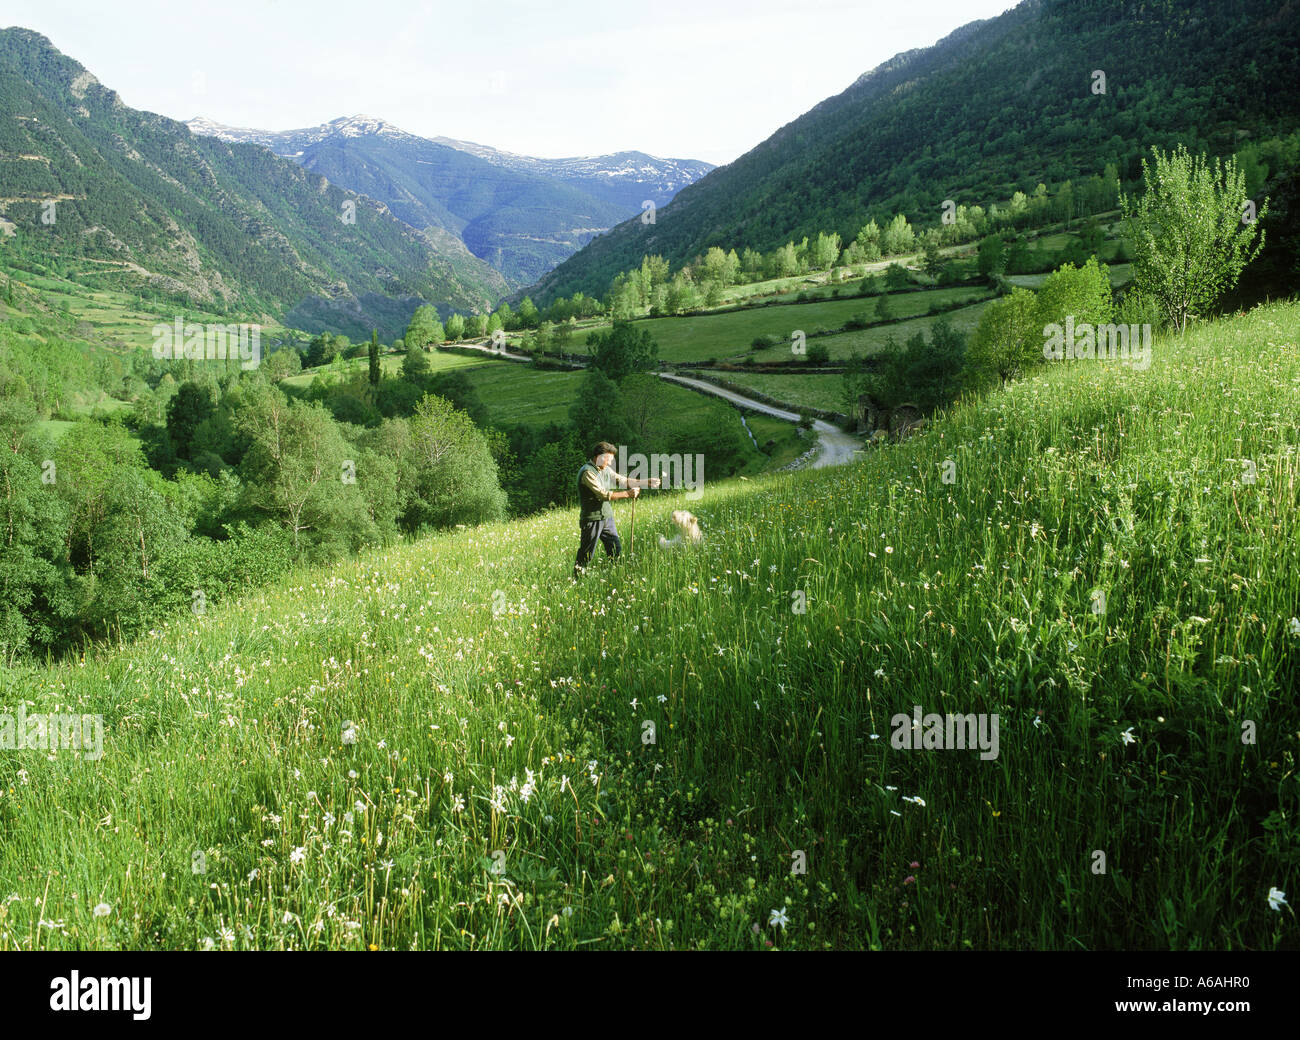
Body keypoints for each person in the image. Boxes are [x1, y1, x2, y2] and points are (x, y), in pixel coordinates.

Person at [573, 441, 660, 578]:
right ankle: (577, 579)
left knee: (615, 549)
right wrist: (627, 494)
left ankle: (618, 575)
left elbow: (623, 481)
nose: (609, 463)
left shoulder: (606, 470)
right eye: (608, 459)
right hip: (592, 519)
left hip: (607, 517)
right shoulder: (587, 472)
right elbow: (603, 494)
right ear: (599, 456)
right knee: (587, 553)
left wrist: (646, 481)